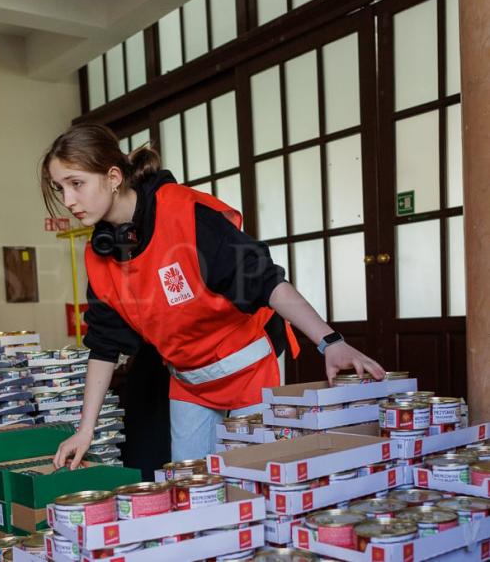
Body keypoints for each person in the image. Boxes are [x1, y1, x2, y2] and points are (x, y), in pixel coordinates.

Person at [42, 124, 385, 468]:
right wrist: (85, 430)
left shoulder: (184, 214)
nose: (69, 201)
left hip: (249, 370)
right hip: (189, 381)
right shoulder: (99, 257)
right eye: (61, 188)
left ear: (113, 176)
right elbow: (104, 345)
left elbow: (267, 283)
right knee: (188, 484)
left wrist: (330, 341)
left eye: (77, 183)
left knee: (251, 477)